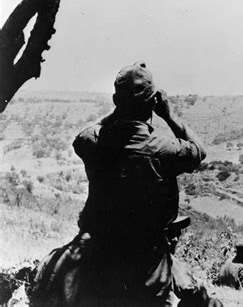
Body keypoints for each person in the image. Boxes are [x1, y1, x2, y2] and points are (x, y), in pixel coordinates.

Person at [31, 61, 212, 306]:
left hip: (100, 250)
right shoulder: (163, 149)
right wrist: (168, 114)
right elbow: (199, 151)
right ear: (152, 104)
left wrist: (119, 109)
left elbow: (83, 135)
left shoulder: (94, 143)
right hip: (147, 259)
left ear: (117, 102)